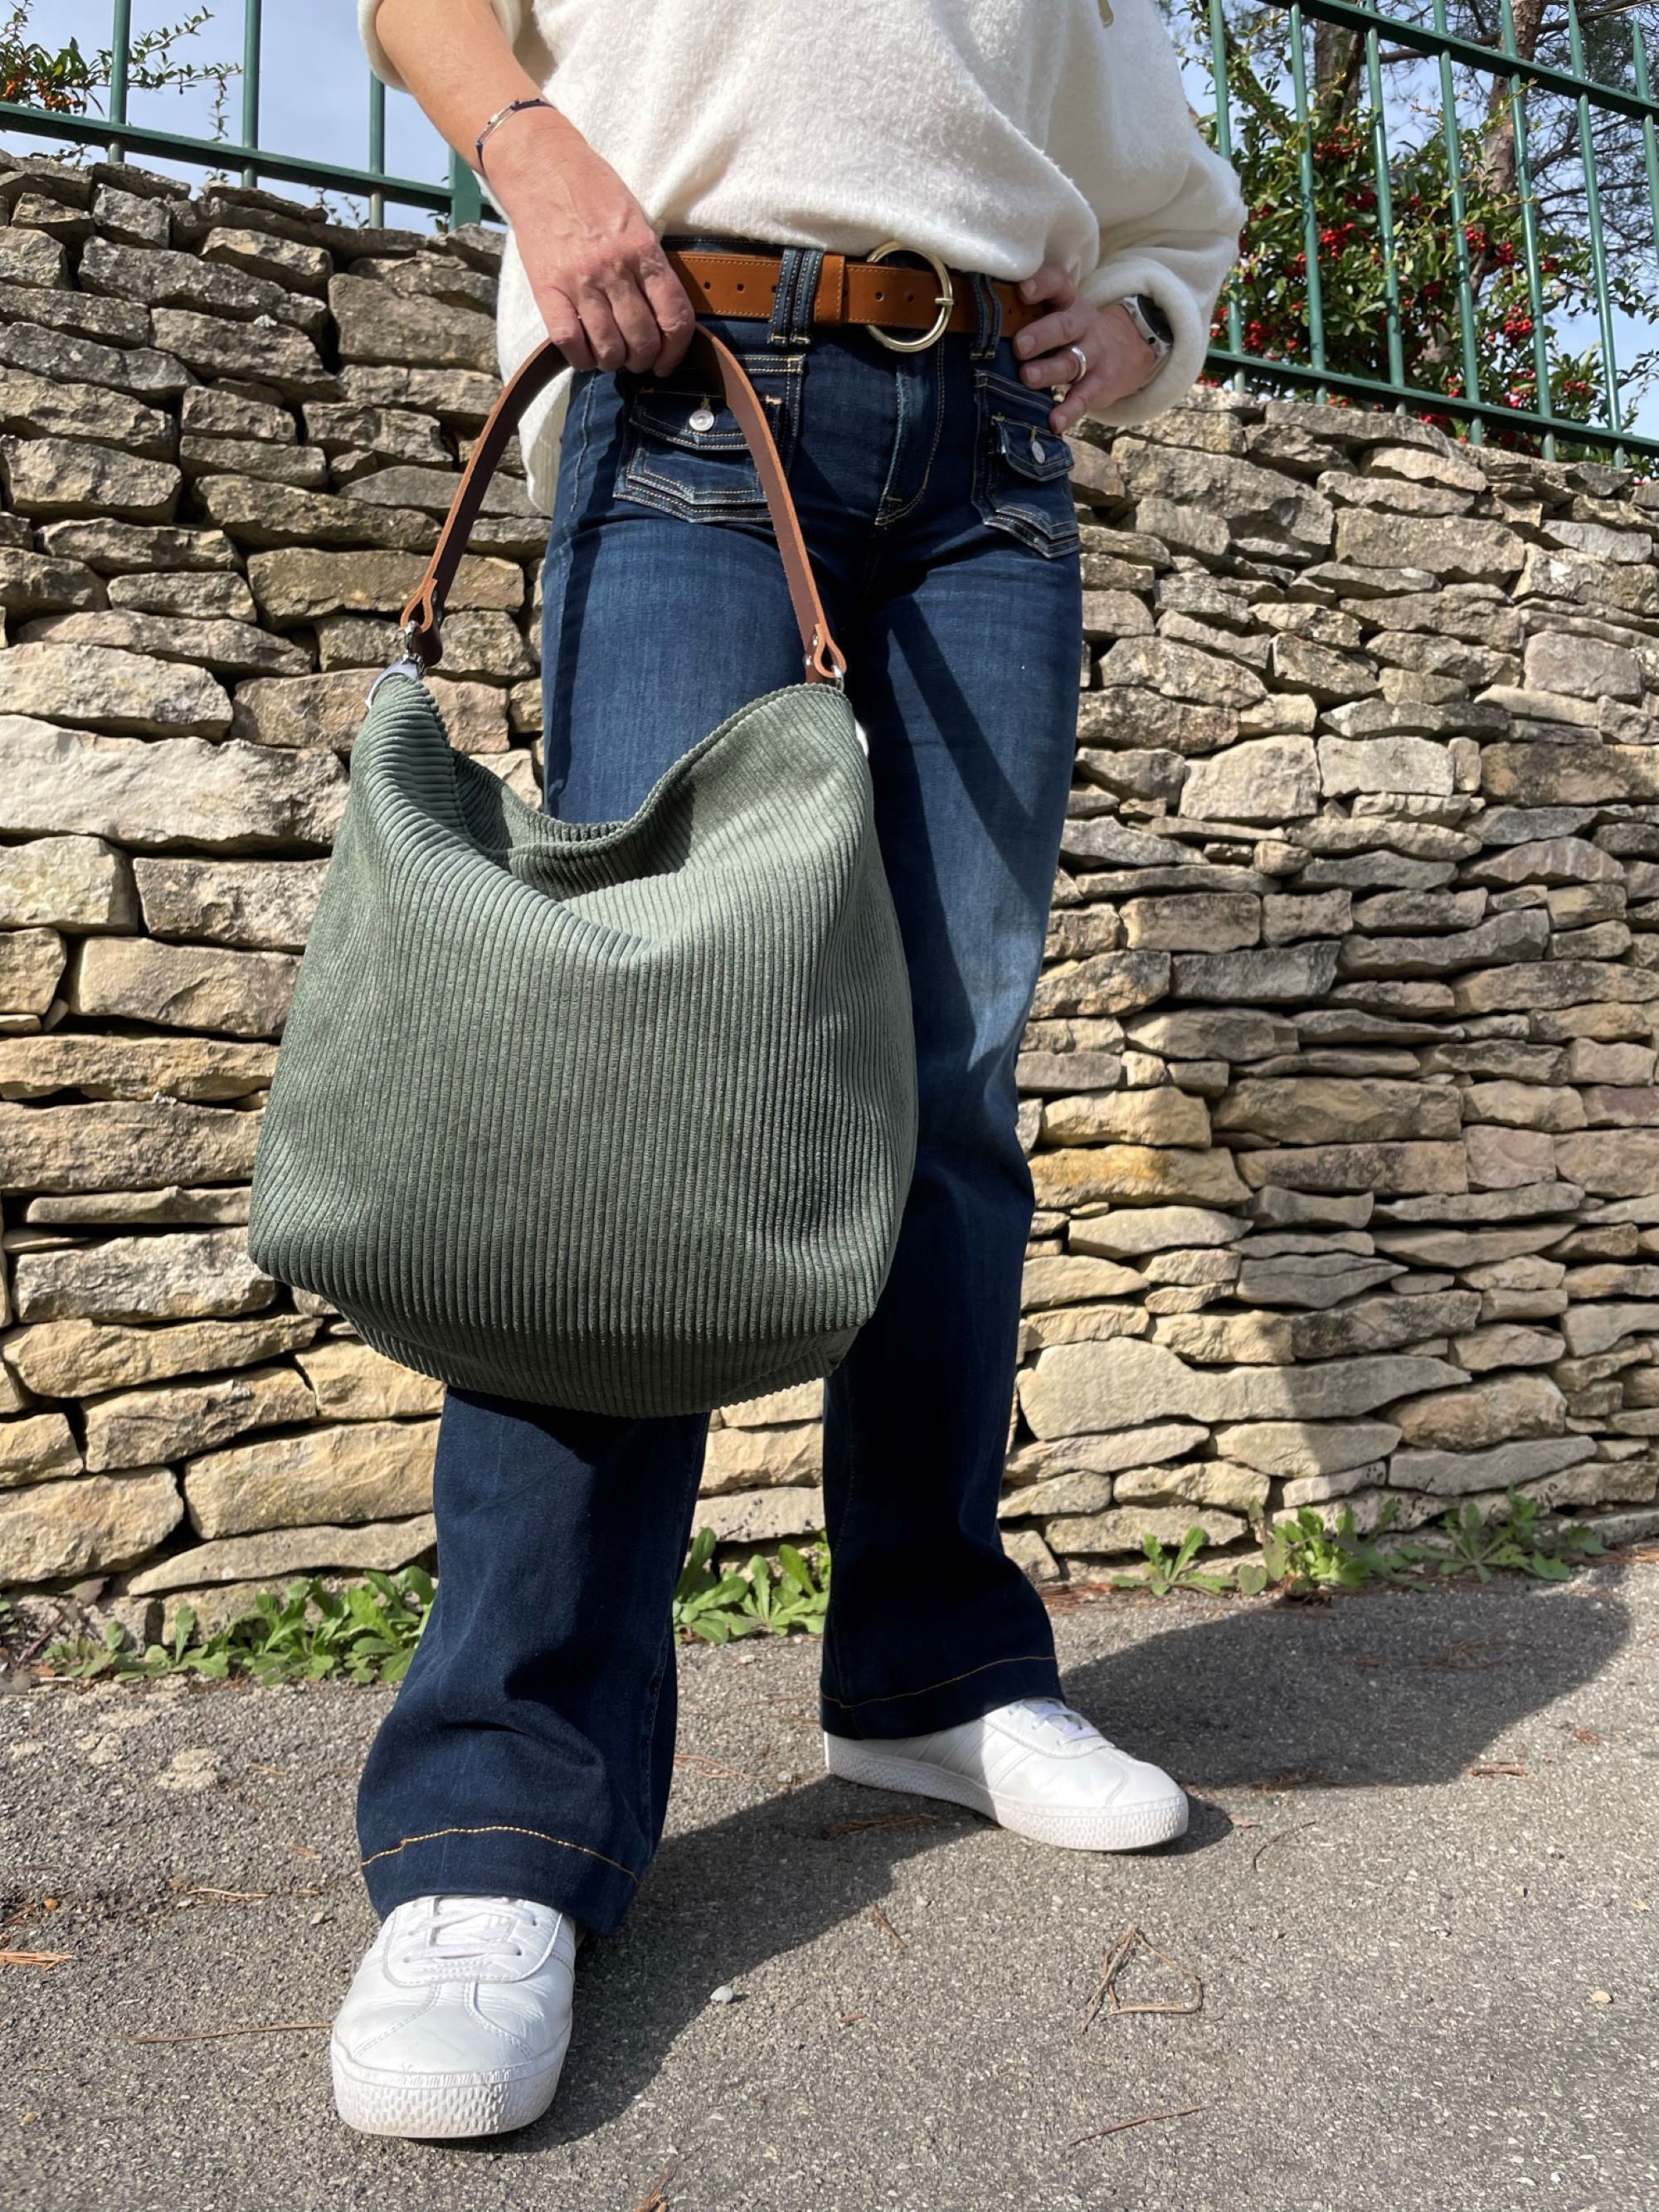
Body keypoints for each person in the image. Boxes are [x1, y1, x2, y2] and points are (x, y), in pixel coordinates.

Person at [330, 0, 1246, 2142]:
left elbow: (1167, 200)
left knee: (950, 1091)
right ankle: (500, 1815)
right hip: (688, 377)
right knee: (621, 1098)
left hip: (993, 475)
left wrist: (1137, 323)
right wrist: (535, 150)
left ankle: (931, 1661)